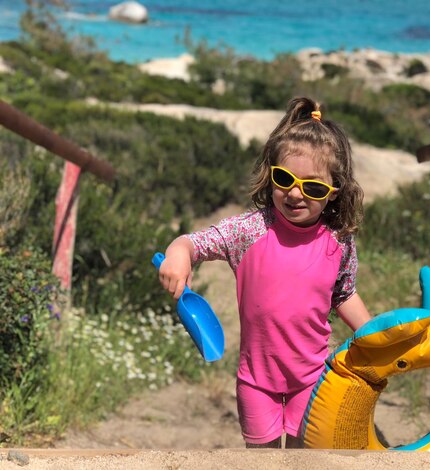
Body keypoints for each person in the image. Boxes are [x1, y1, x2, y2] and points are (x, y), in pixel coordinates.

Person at [157, 96, 372, 449]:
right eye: (284, 178)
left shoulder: (339, 242)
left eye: (314, 187)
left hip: (313, 377)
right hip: (256, 380)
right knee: (262, 461)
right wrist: (178, 253)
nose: (295, 193)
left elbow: (344, 293)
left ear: (334, 193)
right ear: (270, 174)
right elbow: (194, 242)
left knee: (305, 459)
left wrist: (372, 335)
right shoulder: (249, 230)